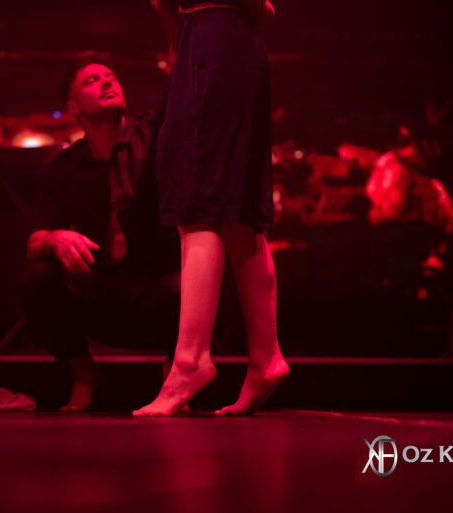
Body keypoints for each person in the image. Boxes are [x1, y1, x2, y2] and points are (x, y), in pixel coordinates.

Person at [134, 0, 289, 416]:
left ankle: (191, 360)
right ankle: (265, 356)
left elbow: (261, 10)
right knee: (234, 210)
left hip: (215, 49)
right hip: (207, 46)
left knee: (198, 199)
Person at [20, 54, 182, 411]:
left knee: (195, 280)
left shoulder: (153, 133)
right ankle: (84, 374)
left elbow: (180, 91)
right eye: (92, 80)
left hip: (160, 297)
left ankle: (176, 376)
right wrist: (56, 239)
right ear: (73, 107)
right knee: (38, 278)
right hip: (103, 298)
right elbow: (33, 243)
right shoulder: (67, 165)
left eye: (111, 76)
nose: (107, 81)